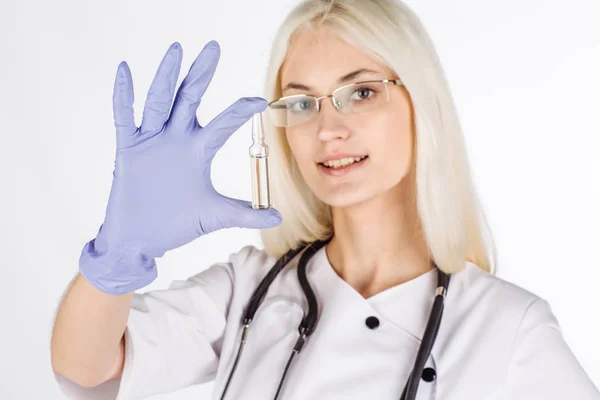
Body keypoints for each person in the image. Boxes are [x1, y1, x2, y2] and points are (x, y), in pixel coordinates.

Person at [50, 0, 600, 399]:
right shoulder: (252, 288)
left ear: (421, 101)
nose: (327, 128)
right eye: (302, 103)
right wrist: (117, 255)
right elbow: (84, 367)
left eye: (360, 92)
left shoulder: (508, 328)